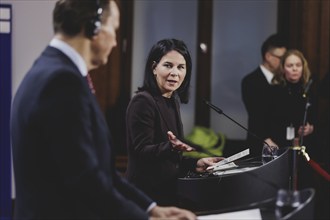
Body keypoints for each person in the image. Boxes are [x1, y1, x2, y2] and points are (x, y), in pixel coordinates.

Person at [10, 1, 196, 219]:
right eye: (114, 29)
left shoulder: (51, 70)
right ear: (94, 27)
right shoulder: (61, 82)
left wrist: (151, 208)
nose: (116, 42)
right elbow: (84, 178)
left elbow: (101, 172)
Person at [125, 38, 222, 206]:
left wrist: (196, 163)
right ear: (154, 67)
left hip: (168, 192)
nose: (175, 73)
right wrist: (171, 146)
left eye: (181, 67)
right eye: (168, 65)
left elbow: (171, 159)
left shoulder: (172, 100)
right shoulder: (143, 101)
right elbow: (141, 151)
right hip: (144, 197)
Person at [241, 34, 287, 157]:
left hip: (282, 143)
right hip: (259, 142)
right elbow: (255, 113)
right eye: (281, 58)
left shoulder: (283, 81)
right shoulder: (250, 81)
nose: (284, 62)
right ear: (268, 56)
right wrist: (265, 138)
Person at [266, 49, 316, 150]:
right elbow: (263, 120)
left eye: (298, 65)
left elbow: (316, 118)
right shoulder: (274, 90)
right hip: (278, 144)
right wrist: (267, 140)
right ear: (283, 68)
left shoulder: (309, 89)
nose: (295, 69)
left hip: (304, 145)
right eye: (290, 65)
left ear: (303, 67)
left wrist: (310, 128)